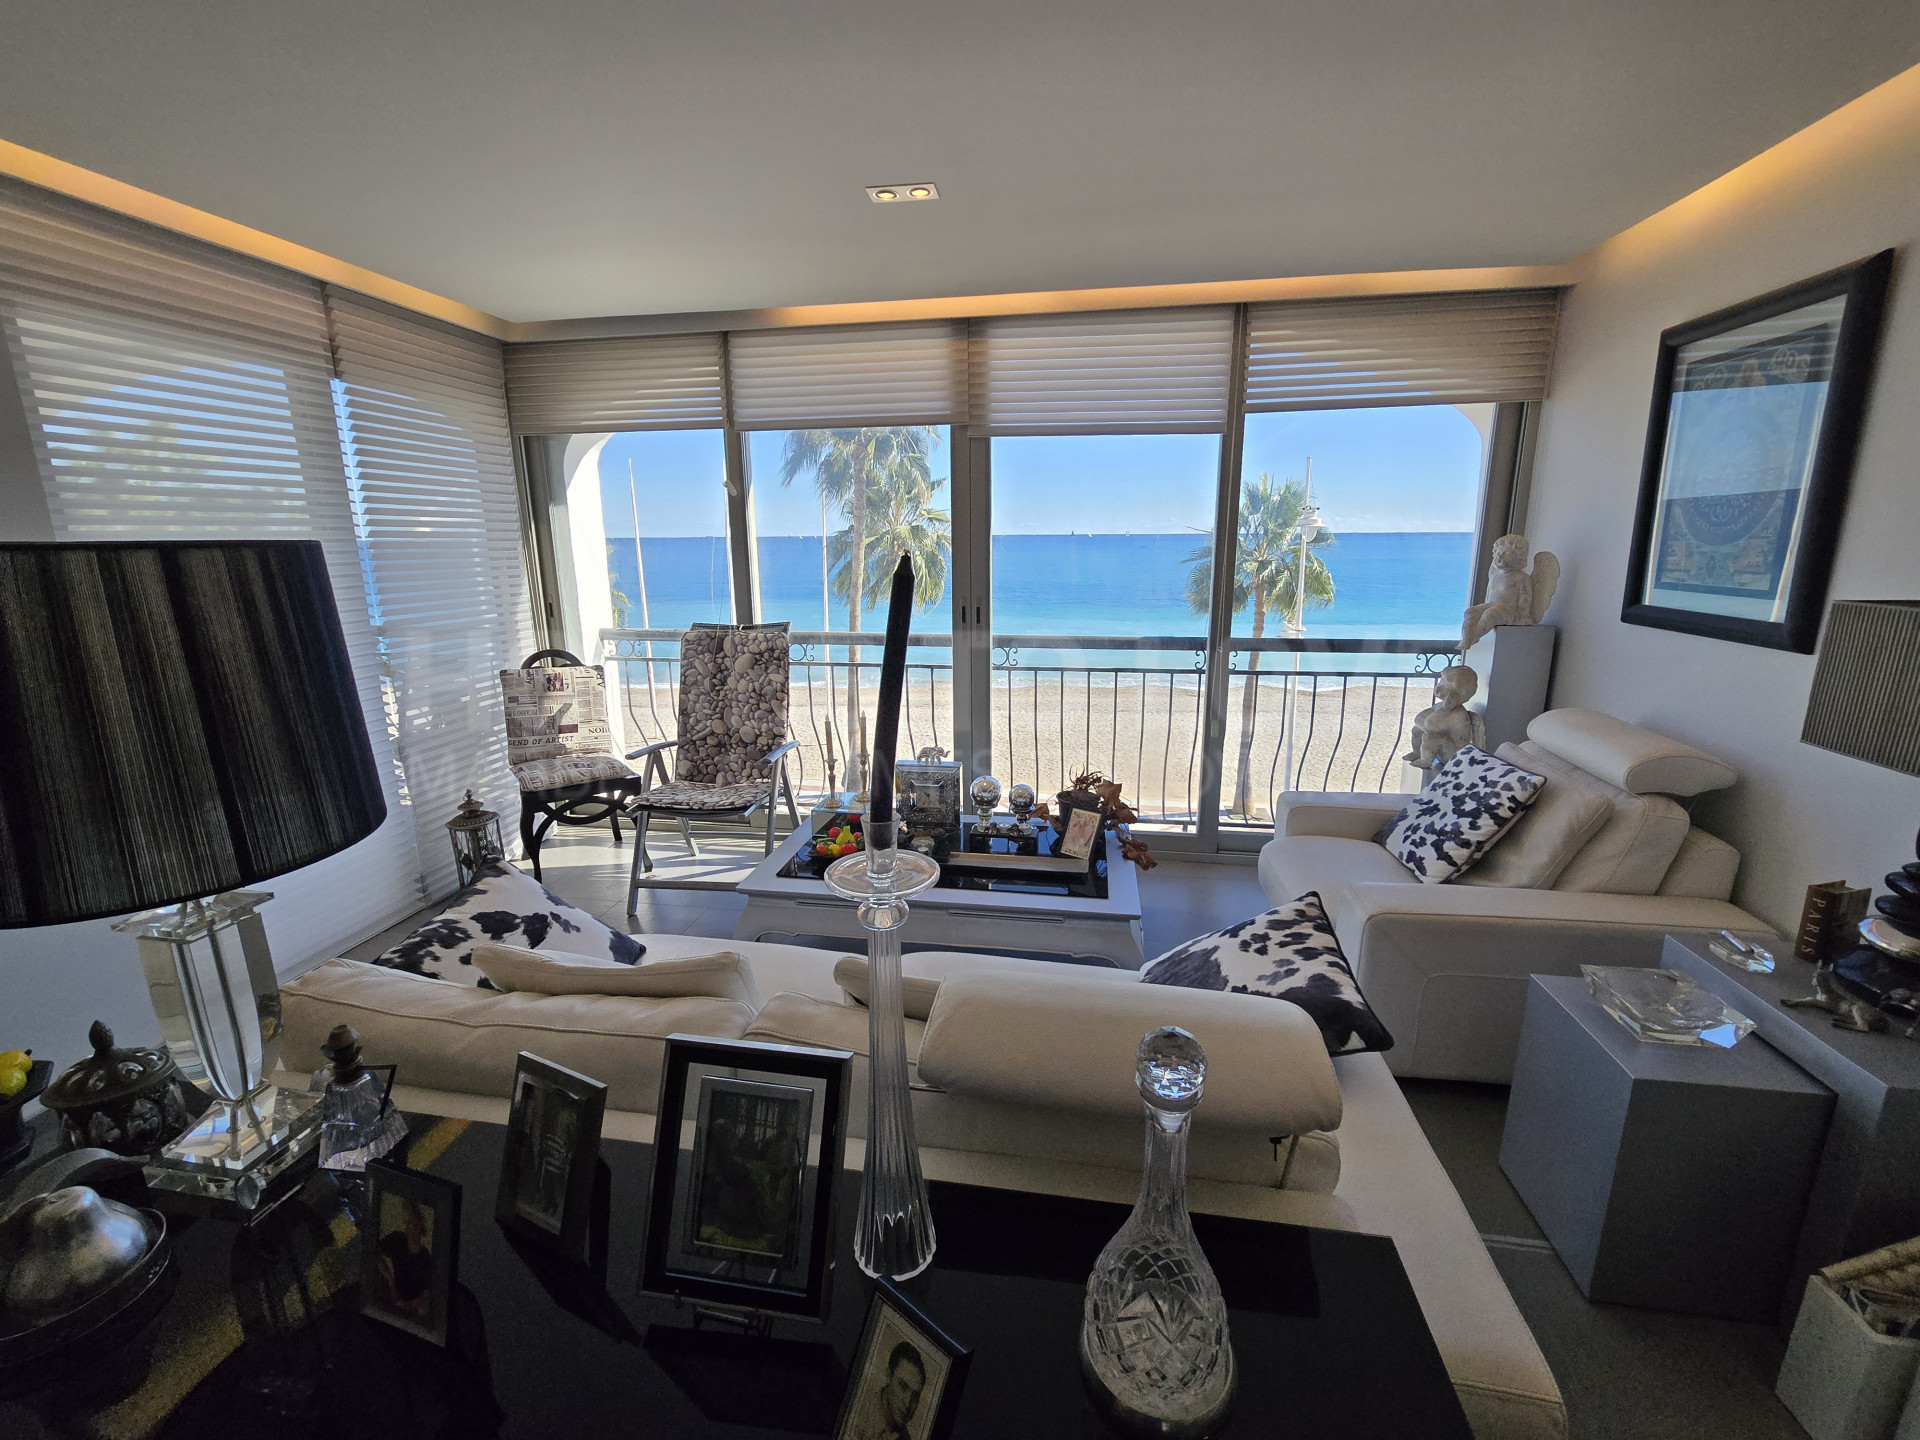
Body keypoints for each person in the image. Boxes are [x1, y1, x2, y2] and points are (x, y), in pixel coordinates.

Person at [850, 1338, 927, 1440]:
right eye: (903, 1386)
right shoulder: (857, 1411)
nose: (908, 1403)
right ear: (888, 1376)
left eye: (915, 1396)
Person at [375, 1195, 435, 1326]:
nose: (408, 1226)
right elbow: (374, 1250)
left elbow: (425, 1300)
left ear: (420, 1224)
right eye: (406, 1222)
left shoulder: (426, 1259)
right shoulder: (397, 1239)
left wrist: (406, 1305)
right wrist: (389, 1278)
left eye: (412, 1222)